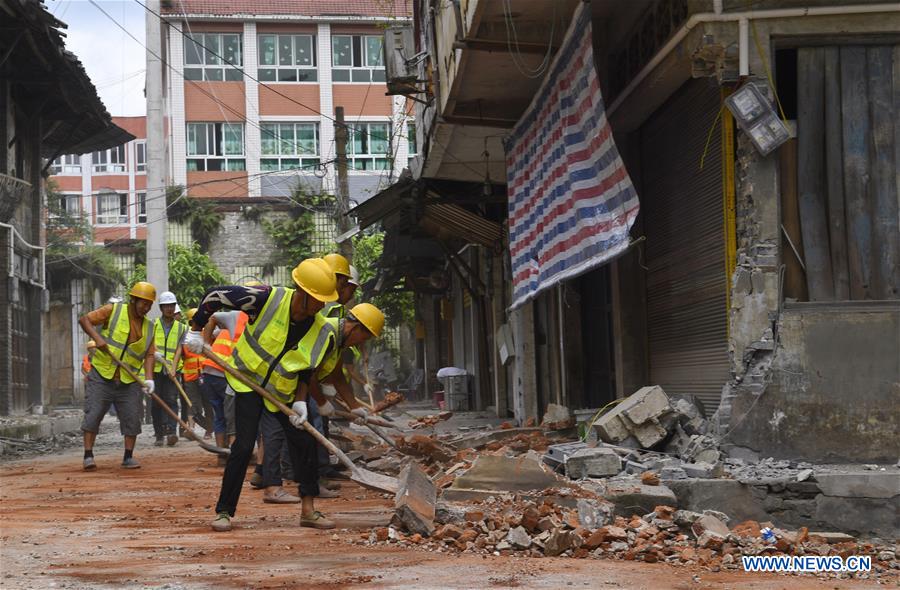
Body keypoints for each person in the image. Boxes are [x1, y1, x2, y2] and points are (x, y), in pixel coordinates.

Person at [183, 259, 340, 532]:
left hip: (283, 391)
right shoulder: (266, 298)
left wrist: (301, 400)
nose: (320, 306)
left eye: (324, 301)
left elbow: (307, 369)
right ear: (301, 292)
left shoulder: (322, 329)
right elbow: (214, 296)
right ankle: (224, 512)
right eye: (317, 300)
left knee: (303, 445)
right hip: (248, 383)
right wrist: (196, 330)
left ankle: (309, 511)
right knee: (243, 448)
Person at [78, 282, 157, 470]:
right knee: (94, 413)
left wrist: (149, 378)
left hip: (128, 380)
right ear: (134, 300)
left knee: (132, 417)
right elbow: (85, 320)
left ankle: (128, 457)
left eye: (149, 305)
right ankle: (88, 455)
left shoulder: (149, 327)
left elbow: (150, 354)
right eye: (142, 303)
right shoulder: (113, 310)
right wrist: (98, 339)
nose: (145, 308)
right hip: (102, 374)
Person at [151, 291, 187, 447]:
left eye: (172, 305)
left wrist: (173, 368)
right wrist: (154, 352)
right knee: (156, 403)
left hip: (172, 370)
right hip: (156, 370)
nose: (169, 309)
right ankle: (159, 435)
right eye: (166, 306)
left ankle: (172, 432)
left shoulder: (181, 328)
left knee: (172, 400)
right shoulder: (153, 324)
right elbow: (148, 344)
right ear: (161, 307)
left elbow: (179, 348)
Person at [172, 308, 208, 437]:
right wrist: (173, 368)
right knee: (191, 403)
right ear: (191, 322)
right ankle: (191, 429)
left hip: (205, 375)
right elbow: (178, 353)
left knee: (207, 403)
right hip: (190, 375)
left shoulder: (206, 334)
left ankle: (209, 430)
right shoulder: (185, 336)